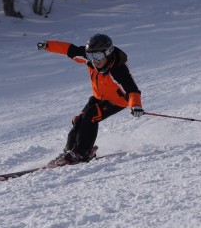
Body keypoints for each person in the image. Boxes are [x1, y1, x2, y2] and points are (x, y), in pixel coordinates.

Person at [37, 34, 144, 166]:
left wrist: (135, 106)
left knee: (91, 116)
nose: (94, 61)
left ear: (108, 53)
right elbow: (70, 49)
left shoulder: (118, 69)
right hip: (99, 97)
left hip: (118, 101)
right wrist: (48, 45)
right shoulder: (90, 59)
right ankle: (69, 152)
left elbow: (132, 90)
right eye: (91, 56)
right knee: (79, 119)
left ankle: (82, 153)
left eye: (98, 56)